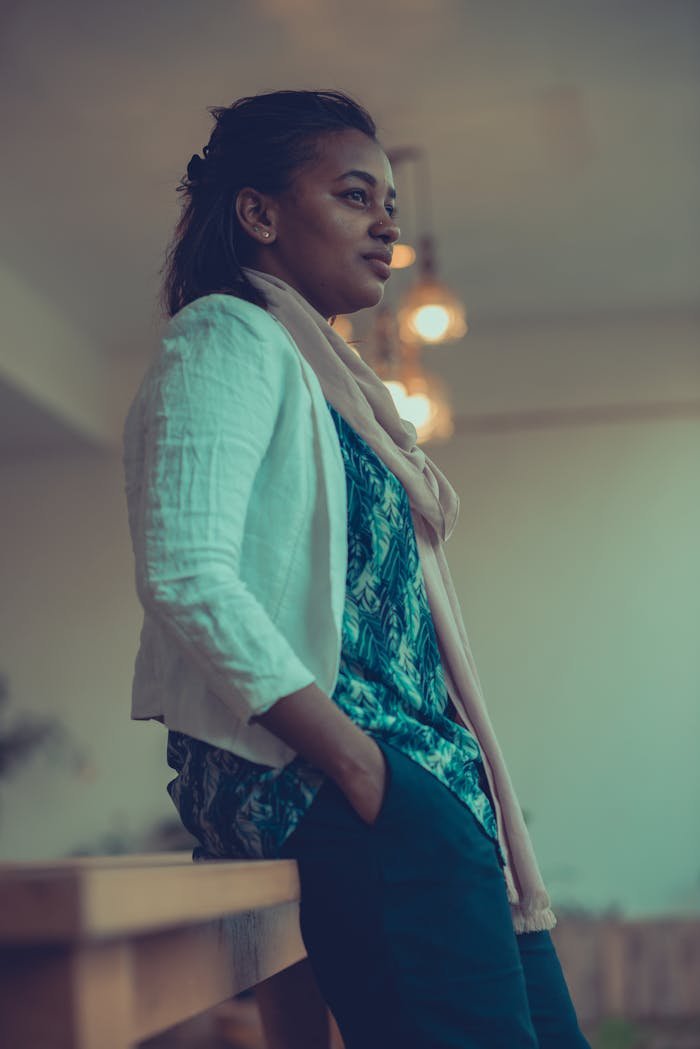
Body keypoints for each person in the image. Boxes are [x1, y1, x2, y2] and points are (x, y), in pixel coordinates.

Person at [122, 89, 590, 1049]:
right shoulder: (227, 337)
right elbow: (187, 570)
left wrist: (404, 783)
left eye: (390, 203)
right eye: (353, 196)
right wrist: (356, 762)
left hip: (428, 795)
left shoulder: (327, 383)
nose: (387, 224)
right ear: (259, 213)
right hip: (352, 785)